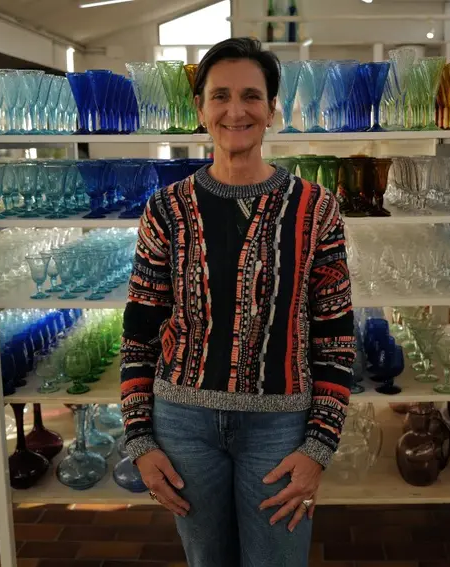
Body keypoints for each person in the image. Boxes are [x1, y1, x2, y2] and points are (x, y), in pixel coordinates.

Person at [120, 37, 355, 567]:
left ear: (271, 109)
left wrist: (319, 445)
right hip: (183, 424)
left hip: (280, 427)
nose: (235, 110)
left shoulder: (316, 208)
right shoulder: (166, 209)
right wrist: (140, 438)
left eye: (251, 96)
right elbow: (139, 330)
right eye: (220, 96)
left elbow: (336, 334)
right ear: (200, 109)